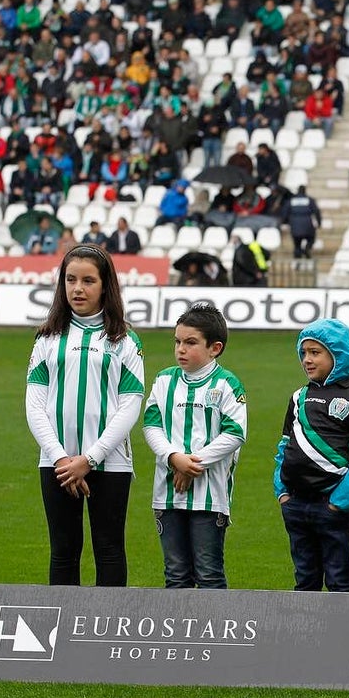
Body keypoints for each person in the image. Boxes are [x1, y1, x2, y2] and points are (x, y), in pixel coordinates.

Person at [24, 245, 145, 586]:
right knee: (63, 550)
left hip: (110, 462)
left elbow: (130, 404)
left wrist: (90, 458)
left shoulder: (124, 339)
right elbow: (34, 405)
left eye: (88, 280)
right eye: (71, 279)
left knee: (109, 549)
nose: (78, 288)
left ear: (105, 285)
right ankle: (64, 637)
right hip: (56, 464)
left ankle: (106, 634)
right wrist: (63, 458)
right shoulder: (47, 338)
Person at [143, 303, 247, 589]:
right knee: (175, 576)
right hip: (167, 493)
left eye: (190, 343)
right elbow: (151, 425)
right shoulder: (164, 380)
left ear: (215, 348)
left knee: (209, 574)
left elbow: (235, 433)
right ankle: (178, 634)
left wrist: (192, 463)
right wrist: (173, 457)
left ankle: (214, 633)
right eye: (177, 341)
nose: (181, 349)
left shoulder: (227, 384)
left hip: (209, 496)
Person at [274, 319, 349, 592]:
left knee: (338, 579)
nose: (307, 360)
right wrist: (282, 491)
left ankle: (339, 634)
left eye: (315, 352)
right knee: (305, 578)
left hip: (331, 506)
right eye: (304, 353)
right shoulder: (298, 397)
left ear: (337, 354)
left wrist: (338, 503)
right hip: (296, 503)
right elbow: (284, 446)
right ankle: (303, 634)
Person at [283, 185, 322, 261]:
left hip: (294, 225)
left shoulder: (291, 200)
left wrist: (285, 222)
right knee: (311, 238)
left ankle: (297, 260)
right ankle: (307, 248)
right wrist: (319, 222)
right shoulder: (309, 200)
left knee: (297, 244)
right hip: (307, 225)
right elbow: (317, 212)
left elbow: (285, 212)